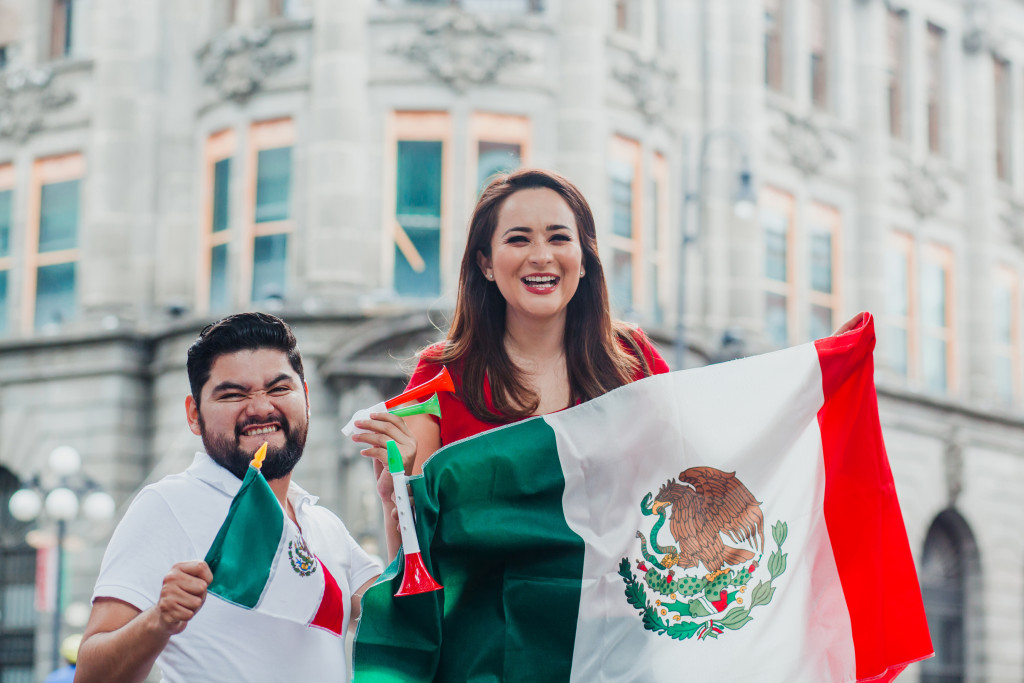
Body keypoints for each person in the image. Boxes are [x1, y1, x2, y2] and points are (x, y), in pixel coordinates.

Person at [351, 169, 670, 540]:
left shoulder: (634, 359)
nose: (540, 256)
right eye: (518, 239)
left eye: (559, 238)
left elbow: (685, 475)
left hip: (617, 594)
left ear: (584, 260)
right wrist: (400, 496)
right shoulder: (440, 377)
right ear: (485, 263)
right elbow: (416, 556)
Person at [77, 313, 384, 683]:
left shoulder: (324, 524)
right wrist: (159, 620)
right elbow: (90, 675)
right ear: (194, 415)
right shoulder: (168, 504)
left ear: (306, 397)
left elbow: (402, 622)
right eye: (233, 394)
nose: (260, 408)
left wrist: (397, 498)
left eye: (278, 389)